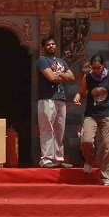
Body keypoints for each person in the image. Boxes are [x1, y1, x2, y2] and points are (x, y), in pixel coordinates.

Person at [73, 53, 109, 186]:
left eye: (99, 68)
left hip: (107, 114)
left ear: (104, 66)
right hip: (91, 114)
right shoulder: (88, 77)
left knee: (107, 145)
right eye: (94, 68)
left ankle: (105, 177)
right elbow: (81, 91)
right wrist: (77, 97)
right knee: (86, 140)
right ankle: (90, 160)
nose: (96, 70)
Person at [36, 36, 73, 167]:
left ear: (56, 46)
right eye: (48, 45)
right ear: (43, 47)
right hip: (47, 98)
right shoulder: (42, 60)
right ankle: (46, 159)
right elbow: (51, 77)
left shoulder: (61, 61)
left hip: (60, 98)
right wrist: (63, 75)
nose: (51, 46)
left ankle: (58, 159)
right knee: (47, 128)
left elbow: (72, 77)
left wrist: (59, 74)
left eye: (53, 44)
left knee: (59, 130)